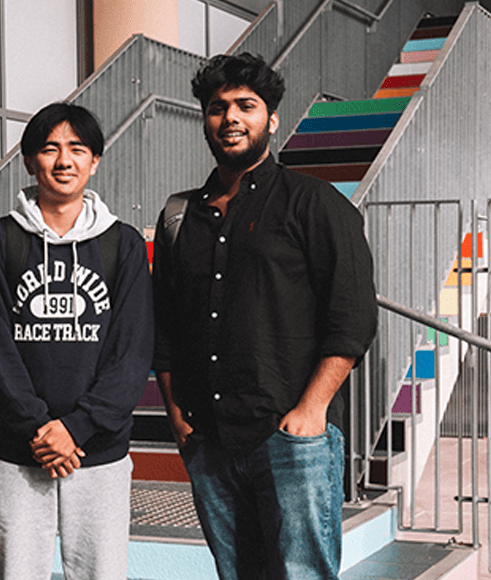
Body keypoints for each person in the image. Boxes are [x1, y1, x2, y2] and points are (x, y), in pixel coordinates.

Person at [151, 53, 378, 580]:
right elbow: (166, 323)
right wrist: (177, 413)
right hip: (209, 437)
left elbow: (353, 316)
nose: (230, 117)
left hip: (291, 437)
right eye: (217, 107)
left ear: (271, 119)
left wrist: (310, 412)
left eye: (245, 106)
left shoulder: (317, 204)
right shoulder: (179, 215)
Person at [0, 102, 154, 580]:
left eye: (77, 149)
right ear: (30, 162)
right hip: (18, 447)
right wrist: (38, 427)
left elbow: (131, 351)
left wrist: (78, 427)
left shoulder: (124, 243)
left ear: (95, 161)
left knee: (102, 574)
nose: (63, 160)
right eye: (49, 149)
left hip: (100, 450)